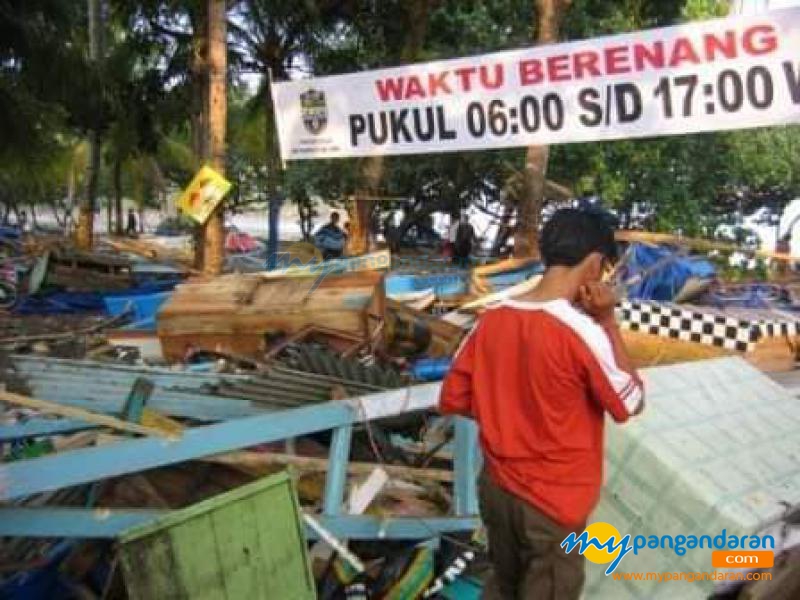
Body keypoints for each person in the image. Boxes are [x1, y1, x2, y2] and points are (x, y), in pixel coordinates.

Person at [439, 209, 644, 600]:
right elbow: (630, 402)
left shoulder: (491, 320)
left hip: (498, 488)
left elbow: (454, 397)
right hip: (553, 502)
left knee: (503, 582)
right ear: (595, 263)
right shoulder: (583, 330)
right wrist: (607, 321)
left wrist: (510, 417)